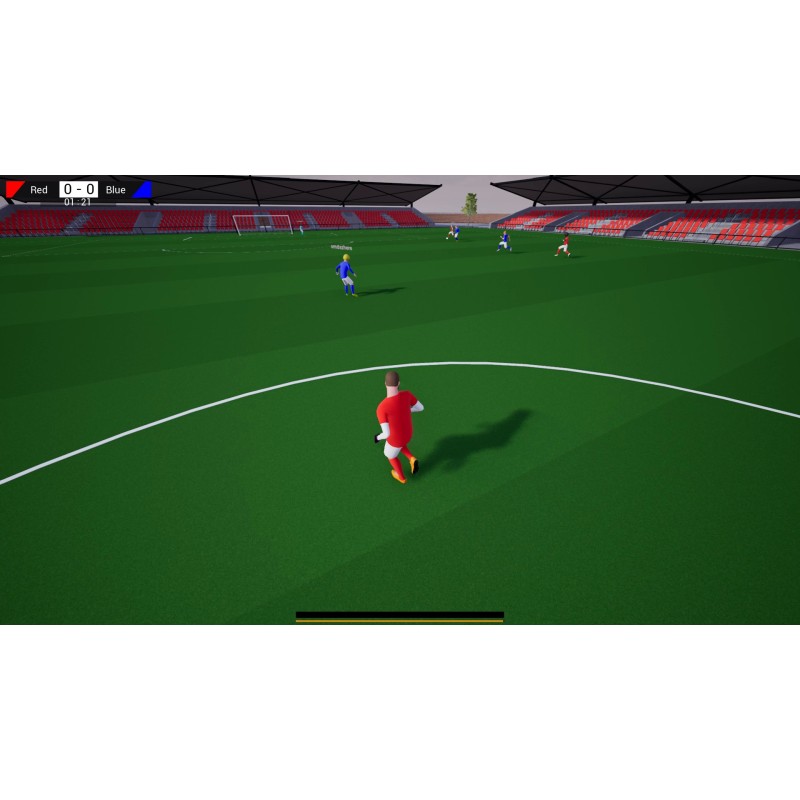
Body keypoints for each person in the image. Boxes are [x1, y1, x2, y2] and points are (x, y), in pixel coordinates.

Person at [374, 370, 424, 484]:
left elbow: (386, 434)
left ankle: (401, 477)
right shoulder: (407, 394)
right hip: (408, 434)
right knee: (399, 443)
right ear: (399, 383)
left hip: (396, 439)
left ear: (385, 384)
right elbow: (421, 408)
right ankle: (411, 458)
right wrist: (406, 410)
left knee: (389, 455)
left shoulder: (381, 408)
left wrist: (377, 437)